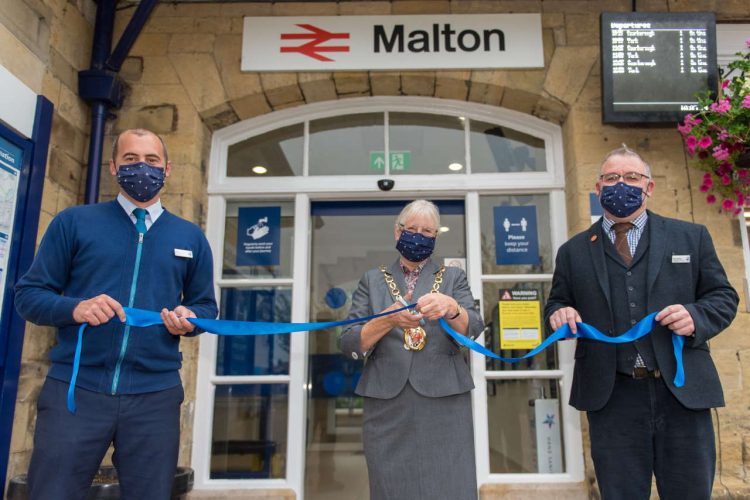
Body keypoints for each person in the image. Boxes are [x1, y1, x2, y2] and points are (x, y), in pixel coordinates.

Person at [15, 128, 218, 500]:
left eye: (152, 160)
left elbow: (207, 307)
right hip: (75, 390)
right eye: (130, 159)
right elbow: (28, 296)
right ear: (112, 167)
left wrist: (189, 319)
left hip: (154, 395)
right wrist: (75, 308)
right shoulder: (74, 223)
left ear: (167, 168)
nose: (142, 167)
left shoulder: (190, 237)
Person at [544, 146, 738, 499]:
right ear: (598, 187)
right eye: (612, 178)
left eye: (632, 177)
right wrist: (560, 314)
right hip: (612, 396)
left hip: (682, 394)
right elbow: (557, 303)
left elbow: (724, 298)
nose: (622, 184)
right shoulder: (572, 252)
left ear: (649, 187)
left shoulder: (690, 237)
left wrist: (695, 316)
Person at [340, 199, 483, 500]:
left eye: (427, 231)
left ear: (435, 238)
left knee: (450, 484)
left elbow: (474, 328)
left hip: (444, 399)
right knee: (391, 485)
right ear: (397, 232)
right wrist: (386, 320)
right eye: (412, 229)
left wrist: (452, 307)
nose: (419, 236)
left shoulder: (453, 277)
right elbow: (350, 342)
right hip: (386, 402)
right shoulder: (372, 280)